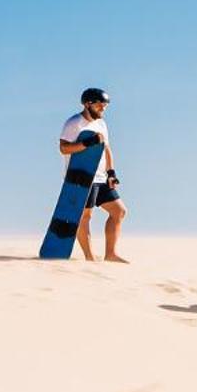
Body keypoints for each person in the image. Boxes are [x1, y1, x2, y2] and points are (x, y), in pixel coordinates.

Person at [57, 86, 127, 263]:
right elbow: (64, 148)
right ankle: (89, 257)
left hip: (101, 178)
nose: (103, 109)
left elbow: (107, 148)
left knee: (119, 211)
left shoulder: (101, 124)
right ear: (88, 104)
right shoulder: (74, 123)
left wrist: (111, 172)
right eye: (100, 105)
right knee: (85, 217)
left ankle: (110, 254)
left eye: (105, 105)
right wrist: (87, 144)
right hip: (81, 178)